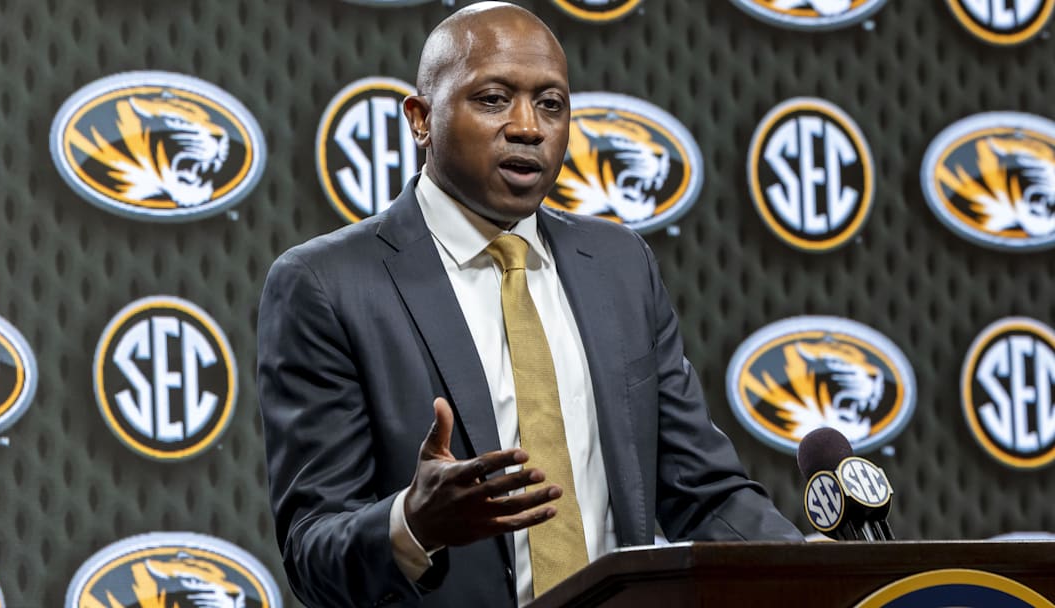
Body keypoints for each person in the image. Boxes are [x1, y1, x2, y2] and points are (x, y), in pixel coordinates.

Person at [256, 3, 803, 607]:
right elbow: (311, 555)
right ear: (420, 119)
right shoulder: (325, 284)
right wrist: (412, 524)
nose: (527, 127)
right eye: (492, 99)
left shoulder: (620, 265)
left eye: (551, 104)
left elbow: (701, 491)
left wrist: (818, 572)